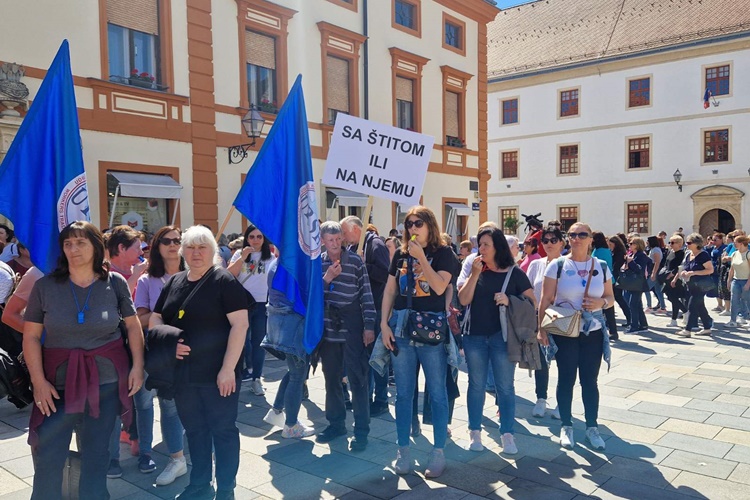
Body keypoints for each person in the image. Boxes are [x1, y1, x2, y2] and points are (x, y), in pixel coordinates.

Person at [24, 221, 144, 500]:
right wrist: (38, 381)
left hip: (105, 384)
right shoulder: (45, 286)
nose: (73, 249)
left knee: (96, 456)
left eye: (81, 242)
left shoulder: (114, 282)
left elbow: (133, 325)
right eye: (68, 243)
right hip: (56, 387)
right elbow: (30, 337)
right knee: (49, 456)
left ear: (96, 247)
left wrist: (137, 366)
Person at [149, 225, 249, 500]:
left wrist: (228, 369)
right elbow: (155, 318)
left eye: (202, 247)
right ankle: (200, 483)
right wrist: (169, 340)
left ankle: (226, 487)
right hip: (184, 376)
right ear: (182, 251)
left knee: (223, 431)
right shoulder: (174, 282)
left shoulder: (224, 281)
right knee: (195, 431)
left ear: (213, 251)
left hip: (218, 374)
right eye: (190, 247)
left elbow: (240, 325)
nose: (196, 252)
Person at [381, 206, 455, 478]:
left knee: (436, 391)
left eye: (418, 223)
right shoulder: (400, 254)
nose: (412, 228)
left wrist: (422, 258)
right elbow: (390, 290)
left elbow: (438, 287)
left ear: (430, 226)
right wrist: (383, 324)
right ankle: (403, 450)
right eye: (409, 224)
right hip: (401, 326)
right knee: (403, 393)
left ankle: (438, 451)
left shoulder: (444, 254)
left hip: (430, 328)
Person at [537, 222, 614, 451]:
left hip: (593, 332)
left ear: (591, 239)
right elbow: (545, 299)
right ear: (568, 239)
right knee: (566, 379)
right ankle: (567, 425)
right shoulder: (558, 266)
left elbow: (610, 298)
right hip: (565, 331)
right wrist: (541, 329)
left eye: (582, 234)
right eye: (572, 235)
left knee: (590, 381)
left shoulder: (600, 265)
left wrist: (601, 302)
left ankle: (592, 427)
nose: (577, 238)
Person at [458, 227, 535, 455]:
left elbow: (532, 303)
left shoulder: (514, 273)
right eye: (479, 244)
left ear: (497, 247)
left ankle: (507, 434)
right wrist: (474, 274)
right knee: (476, 385)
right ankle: (475, 432)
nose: (480, 249)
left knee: (505, 387)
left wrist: (509, 300)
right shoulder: (475, 269)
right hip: (474, 336)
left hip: (502, 338)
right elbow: (463, 300)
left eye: (485, 245)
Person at [133, 226, 188, 484]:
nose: (173, 244)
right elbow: (139, 318)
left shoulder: (194, 275)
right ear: (158, 246)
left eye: (178, 240)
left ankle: (176, 458)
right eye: (167, 241)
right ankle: (145, 451)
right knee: (143, 403)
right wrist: (162, 315)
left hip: (182, 351)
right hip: (152, 350)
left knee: (171, 405)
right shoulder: (147, 280)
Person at [316, 221, 376, 452]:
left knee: (358, 379)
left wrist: (369, 325)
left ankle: (362, 430)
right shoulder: (318, 263)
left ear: (342, 238)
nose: (334, 243)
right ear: (322, 241)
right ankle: (336, 424)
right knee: (331, 379)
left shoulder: (355, 261)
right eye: (329, 240)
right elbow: (313, 299)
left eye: (338, 239)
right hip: (329, 327)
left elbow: (366, 294)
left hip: (352, 324)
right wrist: (327, 278)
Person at [340, 215, 391, 417]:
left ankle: (381, 399)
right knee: (363, 356)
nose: (343, 236)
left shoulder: (376, 244)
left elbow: (385, 274)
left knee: (377, 356)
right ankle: (365, 397)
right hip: (360, 310)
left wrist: (363, 265)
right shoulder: (353, 247)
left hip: (376, 309)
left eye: (344, 232)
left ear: (355, 229)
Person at [261, 257, 316, 438]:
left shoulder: (278, 262)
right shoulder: (291, 263)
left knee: (294, 372)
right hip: (292, 324)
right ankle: (291, 425)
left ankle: (276, 410)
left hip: (281, 322)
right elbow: (301, 296)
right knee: (297, 375)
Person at [228, 224, 276, 394]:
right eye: (252, 237)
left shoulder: (270, 257)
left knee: (258, 342)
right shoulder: (238, 255)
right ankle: (239, 373)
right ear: (246, 239)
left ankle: (256, 377)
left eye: (259, 237)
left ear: (264, 240)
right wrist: (242, 257)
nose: (255, 240)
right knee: (240, 341)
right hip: (241, 304)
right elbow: (229, 275)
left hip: (262, 304)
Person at [526, 226, 566, 418]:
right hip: (539, 317)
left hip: (562, 317)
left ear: (561, 243)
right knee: (540, 360)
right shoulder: (536, 265)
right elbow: (528, 290)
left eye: (553, 240)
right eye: (545, 240)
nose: (548, 244)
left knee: (564, 362)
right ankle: (541, 398)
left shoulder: (568, 264)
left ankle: (562, 402)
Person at [674, 233, 714, 338]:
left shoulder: (703, 255)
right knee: (700, 306)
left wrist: (694, 273)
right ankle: (707, 327)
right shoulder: (688, 254)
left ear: (697, 244)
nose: (687, 244)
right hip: (691, 285)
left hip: (701, 285)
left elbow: (710, 270)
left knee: (692, 305)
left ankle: (687, 330)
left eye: (689, 243)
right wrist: (683, 273)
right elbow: (685, 267)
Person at [622, 237, 652, 334]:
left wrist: (631, 262)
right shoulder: (632, 254)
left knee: (633, 304)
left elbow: (640, 270)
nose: (629, 245)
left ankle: (634, 326)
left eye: (631, 243)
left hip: (638, 283)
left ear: (637, 245)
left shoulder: (641, 256)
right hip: (633, 283)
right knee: (637, 305)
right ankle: (643, 324)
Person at [591, 232, 616, 339]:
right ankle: (613, 330)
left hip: (600, 281)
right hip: (610, 279)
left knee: (602, 308)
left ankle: (607, 330)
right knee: (609, 308)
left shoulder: (597, 251)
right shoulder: (607, 250)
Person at [663, 234, 687, 327]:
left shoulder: (681, 254)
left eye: (673, 243)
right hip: (668, 278)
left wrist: (673, 274)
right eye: (670, 242)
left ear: (679, 244)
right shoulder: (670, 252)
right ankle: (678, 316)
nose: (670, 244)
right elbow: (666, 263)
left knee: (673, 298)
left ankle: (681, 314)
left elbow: (680, 266)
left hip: (676, 278)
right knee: (672, 298)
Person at [727, 235, 750, 327]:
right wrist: (729, 280)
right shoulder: (735, 254)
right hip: (736, 280)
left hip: (746, 280)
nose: (734, 244)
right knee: (734, 300)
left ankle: (746, 318)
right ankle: (733, 320)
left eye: (735, 242)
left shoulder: (748, 254)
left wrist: (748, 283)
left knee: (747, 300)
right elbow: (732, 269)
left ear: (741, 243)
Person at [608, 235, 630, 329]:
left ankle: (630, 318)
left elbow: (616, 266)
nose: (609, 246)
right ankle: (629, 318)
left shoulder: (619, 253)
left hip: (617, 278)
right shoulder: (615, 252)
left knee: (619, 298)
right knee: (618, 298)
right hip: (615, 278)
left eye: (610, 244)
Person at [645, 236, 667, 314]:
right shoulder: (653, 250)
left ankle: (649, 306)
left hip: (656, 271)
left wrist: (653, 274)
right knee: (658, 290)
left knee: (646, 288)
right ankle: (663, 307)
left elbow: (657, 263)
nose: (646, 242)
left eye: (648, 241)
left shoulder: (655, 250)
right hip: (654, 271)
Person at [710, 233, 728, 314]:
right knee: (715, 287)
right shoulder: (713, 247)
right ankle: (719, 304)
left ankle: (725, 305)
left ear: (721, 240)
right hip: (713, 269)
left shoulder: (723, 248)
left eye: (715, 240)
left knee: (721, 287)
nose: (713, 241)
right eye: (712, 239)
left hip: (719, 270)